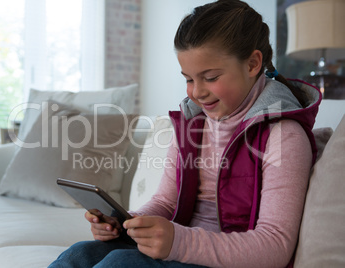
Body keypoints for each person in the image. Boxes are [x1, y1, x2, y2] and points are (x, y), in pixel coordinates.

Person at [49, 0, 321, 267]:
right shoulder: (193, 124)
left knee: (120, 262)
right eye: (189, 79)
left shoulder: (284, 136)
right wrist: (128, 223)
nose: (196, 92)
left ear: (252, 64)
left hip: (228, 258)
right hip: (181, 250)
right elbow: (166, 202)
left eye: (211, 77)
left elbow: (275, 246)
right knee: (79, 254)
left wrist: (178, 242)